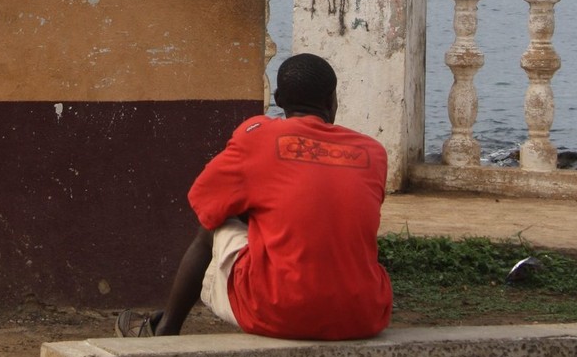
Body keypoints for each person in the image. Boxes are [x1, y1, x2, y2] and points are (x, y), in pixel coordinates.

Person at [116, 53, 392, 341]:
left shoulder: (257, 137)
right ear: (332, 101)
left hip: (280, 312)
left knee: (213, 227)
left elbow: (204, 202)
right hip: (364, 315)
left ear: (279, 99)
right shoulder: (373, 152)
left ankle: (165, 329)